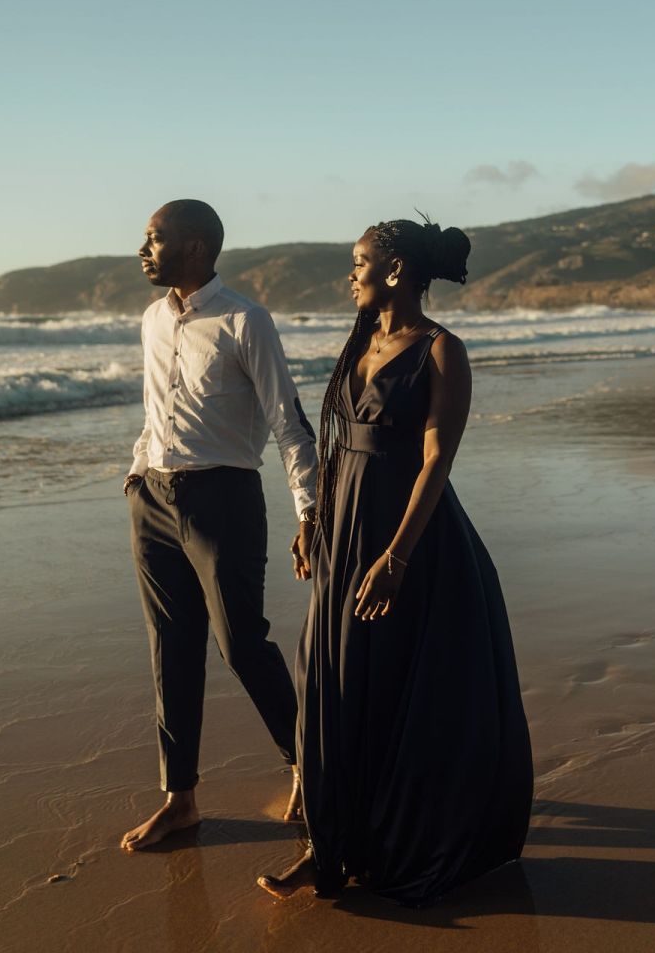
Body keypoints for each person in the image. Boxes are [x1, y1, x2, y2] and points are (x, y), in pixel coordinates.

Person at [258, 216, 533, 904]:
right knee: (327, 680)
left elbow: (436, 460)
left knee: (385, 689)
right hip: (345, 531)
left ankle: (365, 847)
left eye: (358, 262)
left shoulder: (442, 350)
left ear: (396, 270)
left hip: (409, 541)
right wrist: (313, 518)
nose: (348, 274)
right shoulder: (362, 341)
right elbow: (338, 438)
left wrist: (397, 558)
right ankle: (330, 846)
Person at [120, 200, 318, 851]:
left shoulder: (245, 320)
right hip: (153, 498)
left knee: (241, 644)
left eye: (156, 239)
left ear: (197, 247)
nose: (144, 250)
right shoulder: (152, 319)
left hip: (223, 497)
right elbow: (157, 409)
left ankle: (310, 770)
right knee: (169, 649)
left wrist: (309, 510)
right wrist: (136, 470)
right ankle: (179, 800)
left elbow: (288, 420)